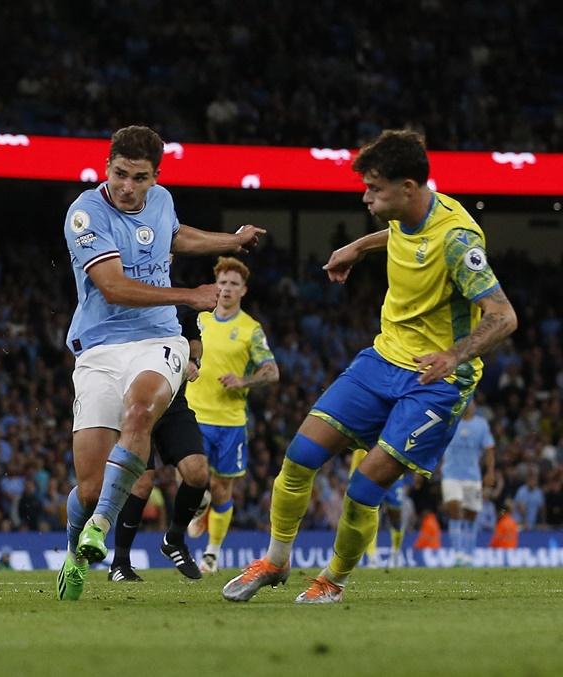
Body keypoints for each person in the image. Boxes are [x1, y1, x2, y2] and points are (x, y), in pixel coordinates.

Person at [222, 129, 518, 604]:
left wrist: (454, 356)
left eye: (375, 188)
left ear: (407, 187)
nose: (366, 197)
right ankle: (275, 561)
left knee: (363, 486)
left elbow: (503, 315)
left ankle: (332, 580)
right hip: (382, 359)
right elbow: (399, 230)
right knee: (298, 458)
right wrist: (358, 247)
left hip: (434, 380)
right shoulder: (409, 213)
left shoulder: (459, 242)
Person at [58, 125, 265, 600]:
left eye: (140, 177)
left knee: (141, 406)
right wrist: (192, 295)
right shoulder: (86, 214)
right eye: (119, 174)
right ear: (106, 166)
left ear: (156, 176)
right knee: (89, 490)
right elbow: (113, 287)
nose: (127, 186)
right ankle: (76, 548)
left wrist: (230, 241)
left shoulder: (162, 199)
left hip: (159, 340)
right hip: (99, 348)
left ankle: (102, 529)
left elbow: (175, 236)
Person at [184, 256, 278, 573]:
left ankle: (212, 552)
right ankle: (199, 504)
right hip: (195, 414)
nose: (226, 289)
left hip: (231, 423)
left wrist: (244, 380)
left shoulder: (251, 330)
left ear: (243, 290)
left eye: (233, 284)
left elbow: (271, 371)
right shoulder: (199, 320)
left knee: (223, 489)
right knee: (186, 474)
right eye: (222, 283)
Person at [108, 305, 209, 582]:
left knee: (198, 472)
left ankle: (174, 539)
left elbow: (194, 340)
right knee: (141, 483)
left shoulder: (181, 303)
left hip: (173, 401)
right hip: (135, 404)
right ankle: (120, 562)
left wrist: (194, 360)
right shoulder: (123, 299)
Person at [439, 400, 495, 565]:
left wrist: (490, 471)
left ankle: (469, 555)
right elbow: (437, 443)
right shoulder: (450, 421)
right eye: (466, 402)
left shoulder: (481, 425)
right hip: (451, 475)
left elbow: (489, 449)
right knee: (454, 509)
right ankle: (458, 554)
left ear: (475, 406)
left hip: (473, 477)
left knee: (471, 515)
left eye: (471, 402)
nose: (468, 405)